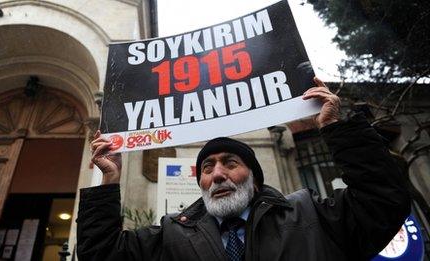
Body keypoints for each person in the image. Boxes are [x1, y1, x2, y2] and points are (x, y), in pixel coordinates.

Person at [77, 77, 410, 261]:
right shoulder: (171, 235)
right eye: (207, 167)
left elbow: (382, 203)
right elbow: (101, 255)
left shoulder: (310, 215)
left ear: (253, 177)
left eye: (230, 163)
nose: (217, 173)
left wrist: (340, 130)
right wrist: (109, 180)